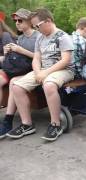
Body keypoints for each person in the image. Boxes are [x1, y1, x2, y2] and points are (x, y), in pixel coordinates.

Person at [6, 8, 74, 142]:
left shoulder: (62, 36)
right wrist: (37, 72)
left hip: (64, 70)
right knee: (16, 86)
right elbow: (36, 58)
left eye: (38, 25)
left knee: (48, 85)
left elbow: (66, 60)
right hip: (43, 70)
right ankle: (27, 124)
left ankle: (55, 124)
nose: (37, 28)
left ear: (48, 21)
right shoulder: (40, 38)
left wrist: (45, 73)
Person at [0, 8, 40, 139]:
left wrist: (21, 50)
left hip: (37, 70)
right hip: (24, 71)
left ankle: (8, 121)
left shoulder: (38, 36)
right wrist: (8, 52)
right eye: (15, 20)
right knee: (12, 81)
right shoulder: (20, 38)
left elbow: (43, 58)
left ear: (29, 21)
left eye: (20, 20)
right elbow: (19, 59)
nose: (17, 23)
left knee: (13, 82)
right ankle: (8, 120)